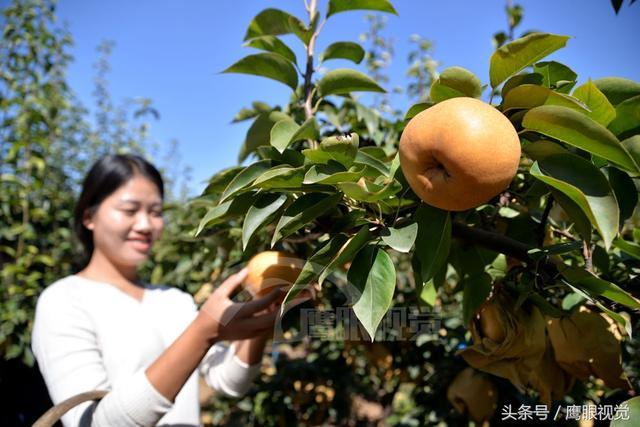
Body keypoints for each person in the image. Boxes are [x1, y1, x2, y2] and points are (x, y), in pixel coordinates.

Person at [32, 154, 284, 426]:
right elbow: (95, 422)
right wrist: (202, 332)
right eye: (130, 210)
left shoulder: (174, 300)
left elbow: (228, 382)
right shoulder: (63, 301)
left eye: (155, 212)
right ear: (89, 217)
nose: (145, 225)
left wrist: (264, 310)